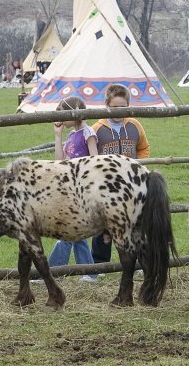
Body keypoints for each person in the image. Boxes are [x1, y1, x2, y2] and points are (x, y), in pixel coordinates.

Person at [90, 84, 151, 267]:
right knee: (103, 223)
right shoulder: (97, 128)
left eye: (123, 107)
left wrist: (137, 165)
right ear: (107, 104)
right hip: (106, 185)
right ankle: (100, 264)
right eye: (114, 107)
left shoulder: (134, 125)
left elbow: (143, 148)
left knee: (135, 220)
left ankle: (140, 261)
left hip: (131, 184)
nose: (118, 111)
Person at [47, 96, 99, 282]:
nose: (60, 117)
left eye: (63, 113)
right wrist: (58, 135)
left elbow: (95, 160)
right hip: (70, 189)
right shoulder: (71, 135)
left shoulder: (88, 132)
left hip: (82, 189)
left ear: (74, 111)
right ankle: (89, 274)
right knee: (78, 232)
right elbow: (60, 161)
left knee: (67, 232)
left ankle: (53, 273)